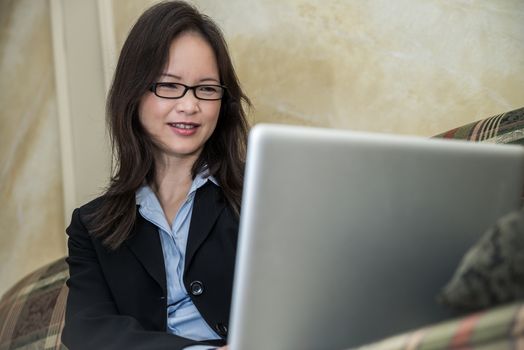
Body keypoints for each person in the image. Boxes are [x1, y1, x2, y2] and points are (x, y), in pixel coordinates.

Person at [61, 1, 249, 349]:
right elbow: (86, 330)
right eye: (169, 85)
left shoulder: (257, 193)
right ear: (133, 94)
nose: (190, 105)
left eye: (206, 88)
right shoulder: (92, 225)